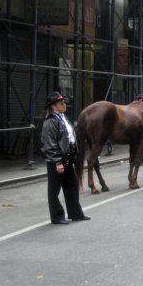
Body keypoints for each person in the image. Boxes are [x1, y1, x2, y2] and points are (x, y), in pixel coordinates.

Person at [40, 92, 90, 225]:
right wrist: (57, 161)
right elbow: (49, 144)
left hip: (67, 159)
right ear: (54, 106)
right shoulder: (50, 122)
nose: (64, 104)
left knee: (72, 186)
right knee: (54, 190)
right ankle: (57, 216)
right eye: (61, 103)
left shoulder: (63, 118)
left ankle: (76, 213)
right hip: (58, 160)